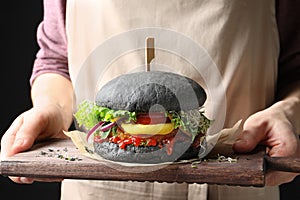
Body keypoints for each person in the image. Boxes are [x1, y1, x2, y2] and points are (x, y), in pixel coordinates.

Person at [1, 0, 300, 200]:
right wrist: (51, 107)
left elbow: (295, 67)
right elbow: (56, 60)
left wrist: (288, 111)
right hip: (98, 186)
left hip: (240, 184)